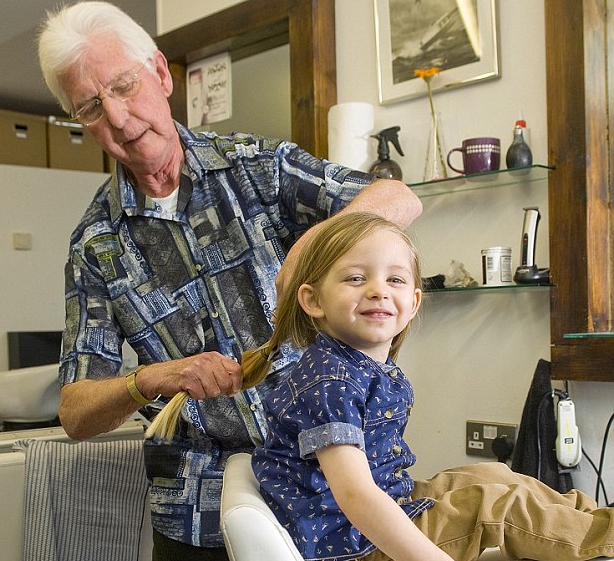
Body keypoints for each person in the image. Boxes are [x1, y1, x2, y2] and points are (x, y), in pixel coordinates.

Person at [36, 2, 423, 560]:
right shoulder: (96, 246)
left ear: (162, 74)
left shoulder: (253, 167)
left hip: (325, 497)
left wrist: (317, 241)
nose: (118, 117)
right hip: (197, 517)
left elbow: (398, 199)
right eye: (92, 107)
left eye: (124, 86)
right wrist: (153, 379)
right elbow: (74, 411)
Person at [250, 211, 614, 561]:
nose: (378, 290)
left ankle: (598, 525)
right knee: (497, 508)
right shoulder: (330, 380)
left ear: (413, 302)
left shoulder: (353, 364)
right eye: (356, 278)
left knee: (494, 475)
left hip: (371, 513)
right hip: (353, 544)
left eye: (395, 280)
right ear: (313, 300)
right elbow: (357, 496)